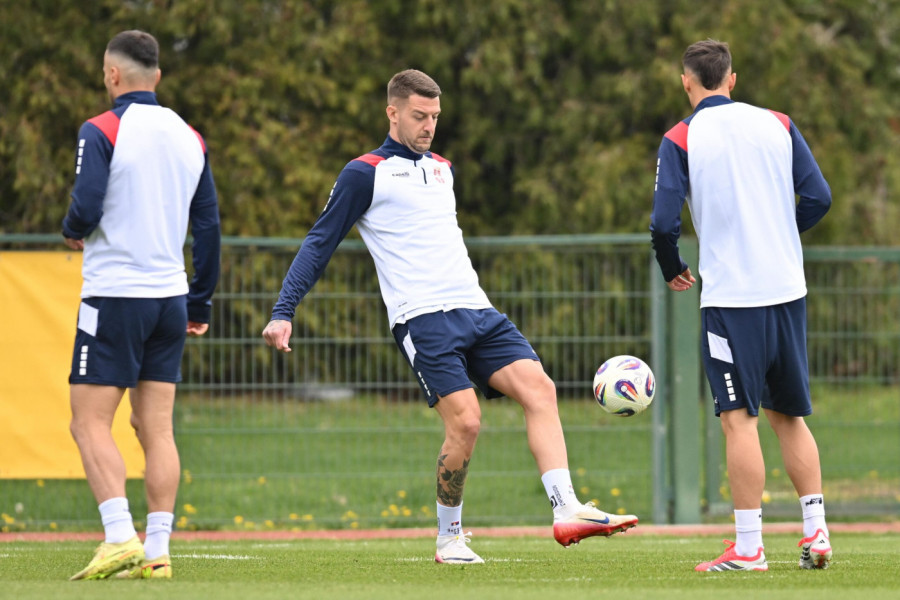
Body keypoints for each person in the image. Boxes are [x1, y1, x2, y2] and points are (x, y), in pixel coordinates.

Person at [263, 68, 637, 564]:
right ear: (392, 112)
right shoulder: (365, 172)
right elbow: (319, 242)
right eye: (419, 116)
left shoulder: (443, 169)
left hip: (477, 309)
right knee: (467, 422)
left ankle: (566, 509)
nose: (429, 126)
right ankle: (449, 538)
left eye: (435, 116)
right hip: (422, 319)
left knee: (540, 389)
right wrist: (284, 310)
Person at [650, 40, 833, 572]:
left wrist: (671, 266)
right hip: (788, 291)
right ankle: (817, 531)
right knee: (789, 416)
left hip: (732, 300)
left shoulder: (681, 137)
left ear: (687, 82)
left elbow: (663, 223)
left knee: (739, 419)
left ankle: (750, 548)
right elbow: (819, 197)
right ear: (732, 79)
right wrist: (780, 234)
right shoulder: (778, 123)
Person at [63, 30, 221, 580]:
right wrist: (200, 301)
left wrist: (72, 228)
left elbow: (86, 204)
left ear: (112, 74)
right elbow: (208, 226)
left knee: (87, 422)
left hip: (115, 295)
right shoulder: (189, 136)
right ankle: (157, 553)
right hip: (170, 298)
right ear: (157, 76)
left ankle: (117, 537)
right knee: (156, 428)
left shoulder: (102, 128)